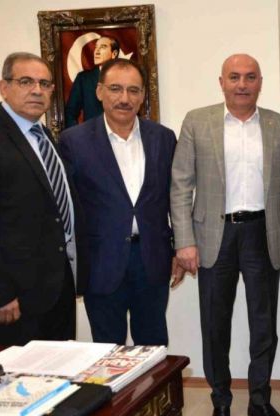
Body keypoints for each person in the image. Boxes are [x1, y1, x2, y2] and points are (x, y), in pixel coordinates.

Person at [170, 53, 280, 416]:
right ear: (222, 82)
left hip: (263, 234)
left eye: (250, 77)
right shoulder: (197, 121)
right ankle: (220, 402)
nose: (242, 84)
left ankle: (260, 400)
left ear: (260, 82)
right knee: (215, 324)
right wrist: (184, 241)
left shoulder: (279, 126)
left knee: (264, 324)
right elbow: (181, 185)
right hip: (213, 237)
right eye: (234, 77)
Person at [59, 58, 182, 346]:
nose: (124, 98)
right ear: (99, 91)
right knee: (107, 351)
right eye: (115, 89)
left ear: (142, 95)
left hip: (152, 259)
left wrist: (178, 247)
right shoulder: (73, 141)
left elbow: (174, 197)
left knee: (154, 347)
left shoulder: (163, 138)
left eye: (133, 90)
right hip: (101, 262)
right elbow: (68, 208)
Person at [0, 52, 78, 345]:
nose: (37, 90)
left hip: (57, 288)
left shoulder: (44, 136)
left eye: (45, 83)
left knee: (63, 369)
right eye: (26, 81)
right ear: (4, 87)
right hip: (14, 298)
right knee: (23, 373)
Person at [64, 36, 120, 128]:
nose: (96, 51)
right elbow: (70, 113)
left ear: (114, 54)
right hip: (91, 134)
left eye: (102, 47)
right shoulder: (83, 79)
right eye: (96, 47)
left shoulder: (125, 78)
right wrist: (78, 135)